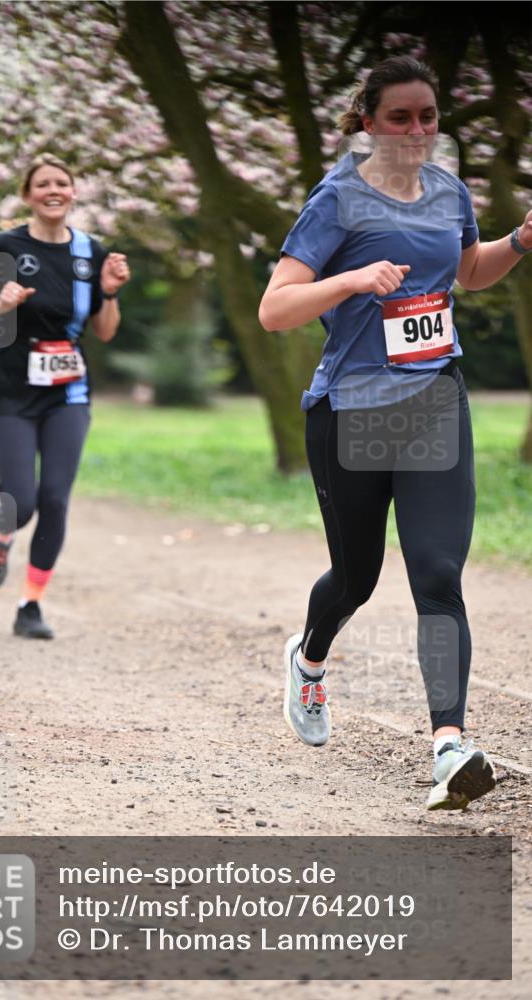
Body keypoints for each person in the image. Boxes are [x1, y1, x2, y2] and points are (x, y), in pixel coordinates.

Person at [259, 55, 531, 811]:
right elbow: (274, 308)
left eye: (428, 116)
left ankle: (449, 744)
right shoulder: (336, 199)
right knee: (356, 577)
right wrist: (348, 280)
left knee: (438, 574)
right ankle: (309, 660)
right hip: (351, 411)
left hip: (434, 399)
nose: (417, 130)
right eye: (400, 116)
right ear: (367, 121)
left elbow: (466, 270)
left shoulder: (448, 190)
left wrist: (516, 241)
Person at [0, 153, 130, 639]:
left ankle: (30, 605)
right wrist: (1, 303)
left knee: (55, 499)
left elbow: (104, 331)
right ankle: (1, 533)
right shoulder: (4, 245)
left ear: (73, 192)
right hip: (11, 389)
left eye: (62, 182)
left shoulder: (90, 251)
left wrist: (111, 293)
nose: (53, 190)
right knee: (21, 502)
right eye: (43, 184)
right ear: (27, 195)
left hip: (68, 391)